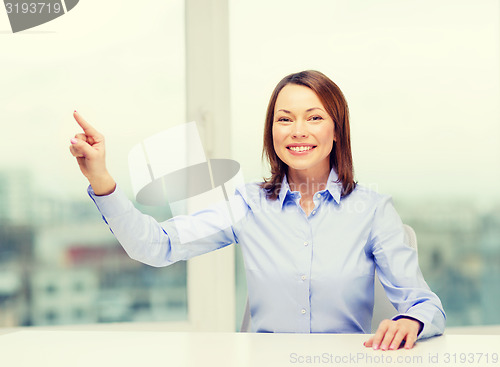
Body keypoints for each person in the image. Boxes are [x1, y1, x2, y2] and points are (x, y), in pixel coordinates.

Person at [69, 70, 445, 350]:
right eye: (285, 119)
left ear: (336, 131)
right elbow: (155, 246)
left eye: (314, 117)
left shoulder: (372, 210)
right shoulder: (246, 204)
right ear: (272, 133)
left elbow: (425, 304)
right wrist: (101, 177)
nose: (298, 130)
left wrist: (411, 318)